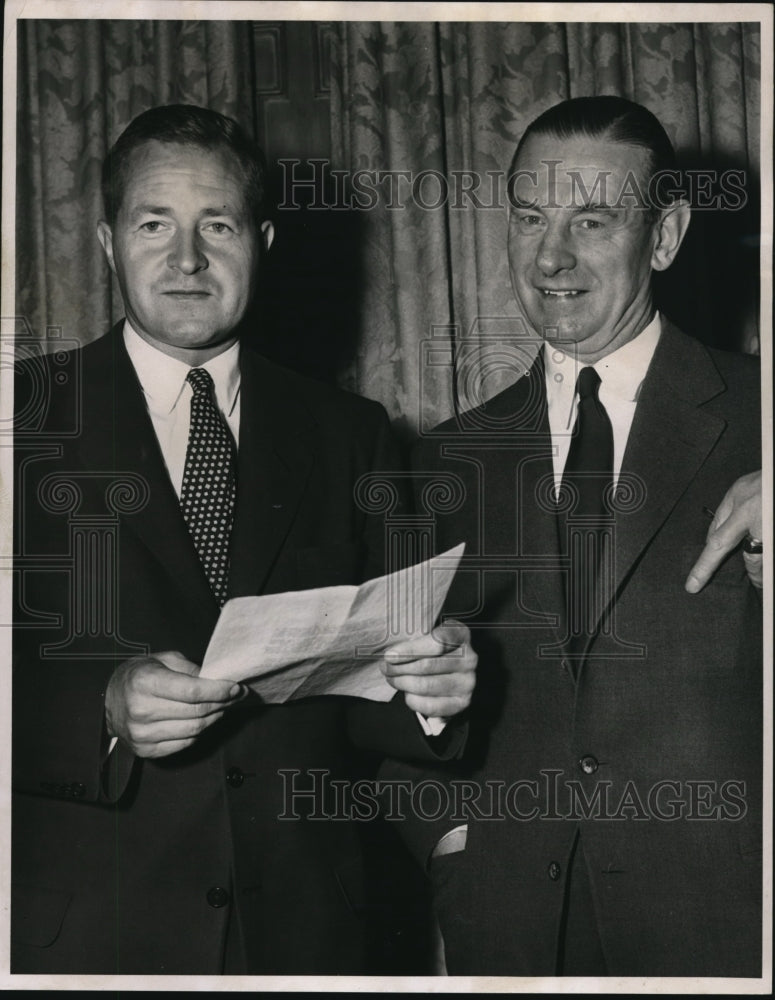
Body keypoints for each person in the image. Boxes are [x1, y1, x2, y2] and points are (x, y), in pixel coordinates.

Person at [11, 104, 477, 975]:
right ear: (110, 241)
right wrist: (99, 711)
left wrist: (433, 684)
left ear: (261, 240)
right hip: (86, 936)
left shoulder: (351, 433)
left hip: (310, 938)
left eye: (216, 225)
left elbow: (384, 689)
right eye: (155, 224)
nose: (187, 259)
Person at [389, 96, 764, 977]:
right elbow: (379, 708)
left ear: (664, 238)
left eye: (591, 220)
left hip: (731, 931)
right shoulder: (441, 459)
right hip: (516, 936)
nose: (550, 256)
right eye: (529, 218)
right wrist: (447, 847)